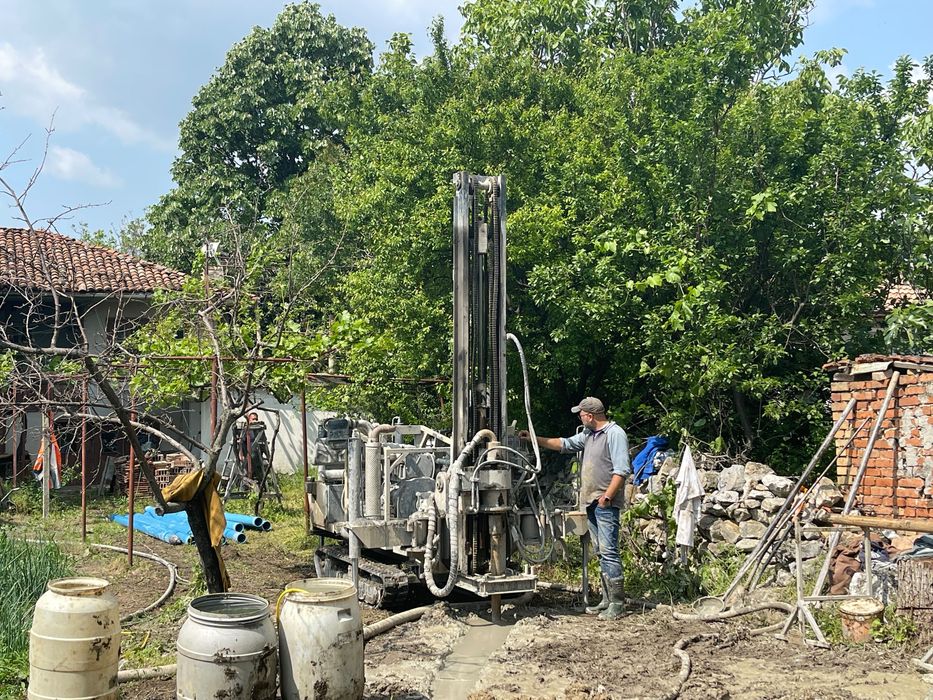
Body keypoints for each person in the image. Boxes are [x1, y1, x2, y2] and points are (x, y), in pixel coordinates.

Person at [521, 396, 630, 620]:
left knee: (609, 551)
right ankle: (607, 600)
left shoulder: (614, 434)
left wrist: (607, 497)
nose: (579, 417)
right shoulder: (589, 435)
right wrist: (534, 439)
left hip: (604, 503)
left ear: (590, 416)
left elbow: (621, 470)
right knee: (600, 552)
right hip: (591, 502)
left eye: (581, 414)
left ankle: (618, 603)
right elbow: (565, 444)